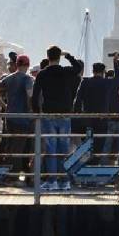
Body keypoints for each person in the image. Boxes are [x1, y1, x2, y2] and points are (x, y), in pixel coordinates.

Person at [31, 46, 83, 190]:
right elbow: (78, 67)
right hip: (65, 114)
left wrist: (37, 113)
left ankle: (52, 180)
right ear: (59, 57)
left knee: (51, 149)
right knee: (64, 149)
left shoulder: (42, 74)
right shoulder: (66, 72)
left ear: (47, 57)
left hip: (48, 115)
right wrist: (69, 56)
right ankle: (64, 181)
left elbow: (35, 97)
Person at [0, 55, 34, 171]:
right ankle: (14, 175)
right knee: (19, 148)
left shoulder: (9, 78)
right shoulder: (28, 79)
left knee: (9, 146)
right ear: (27, 65)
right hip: (22, 118)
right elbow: (29, 96)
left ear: (17, 64)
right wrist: (31, 110)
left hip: (9, 117)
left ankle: (7, 171)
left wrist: (4, 105)